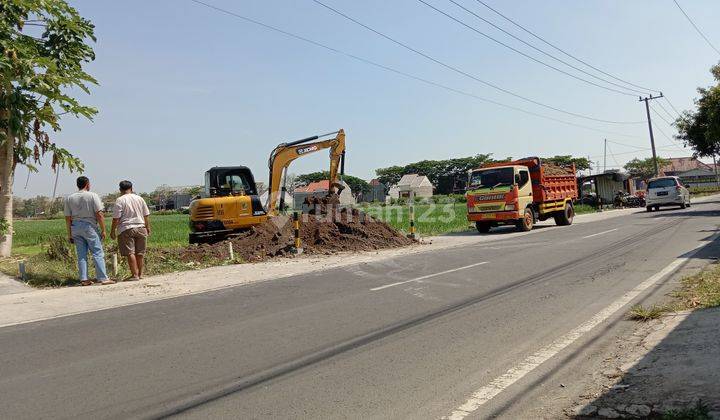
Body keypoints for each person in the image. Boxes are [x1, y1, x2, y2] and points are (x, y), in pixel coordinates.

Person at [64, 176, 114, 286]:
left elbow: (67, 217)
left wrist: (70, 234)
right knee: (97, 252)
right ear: (87, 184)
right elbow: (99, 214)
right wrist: (103, 230)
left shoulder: (69, 198)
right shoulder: (92, 195)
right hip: (89, 227)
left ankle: (84, 279)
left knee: (81, 254)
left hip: (75, 227)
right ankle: (102, 277)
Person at [110, 180, 151, 281]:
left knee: (130, 252)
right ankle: (140, 274)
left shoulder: (120, 200)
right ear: (132, 189)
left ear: (120, 190)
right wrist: (148, 227)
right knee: (140, 252)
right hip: (141, 227)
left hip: (126, 228)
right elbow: (146, 214)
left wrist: (112, 231)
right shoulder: (140, 198)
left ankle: (134, 275)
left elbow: (116, 218)